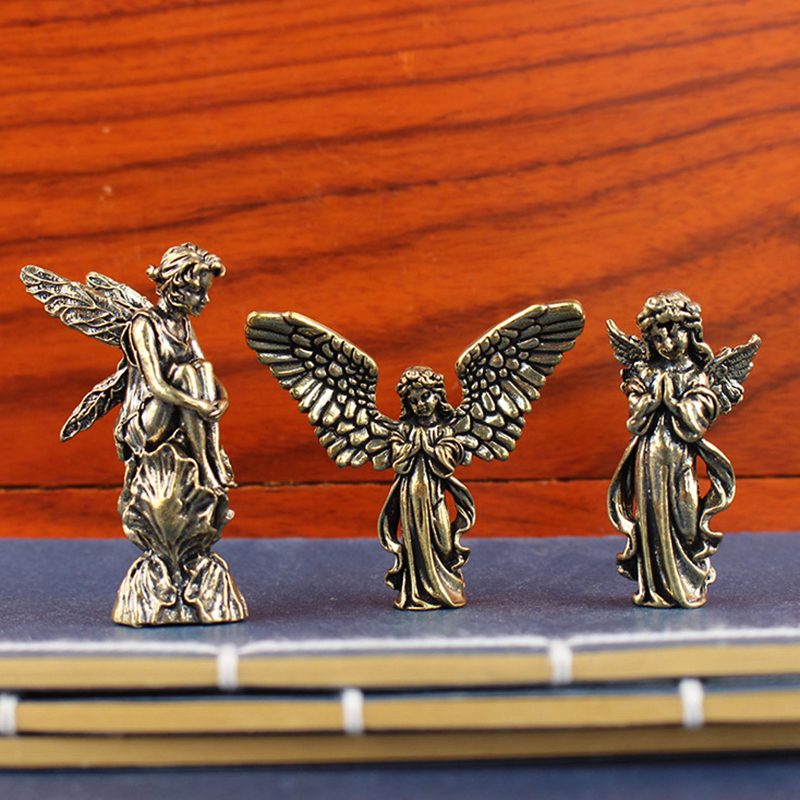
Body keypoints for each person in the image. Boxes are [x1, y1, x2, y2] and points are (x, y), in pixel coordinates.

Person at [608, 292, 735, 608]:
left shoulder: (695, 374)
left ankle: (688, 582)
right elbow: (635, 420)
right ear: (649, 339)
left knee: (685, 518)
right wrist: (653, 401)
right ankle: (655, 588)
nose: (667, 342)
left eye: (675, 332)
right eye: (658, 335)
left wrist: (674, 405)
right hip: (650, 455)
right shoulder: (645, 373)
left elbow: (698, 421)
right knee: (652, 518)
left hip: (680, 457)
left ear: (692, 333)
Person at [114, 242, 234, 494]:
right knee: (186, 372)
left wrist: (223, 399)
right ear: (177, 289)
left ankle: (213, 456)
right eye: (198, 292)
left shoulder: (184, 323)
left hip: (179, 408)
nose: (206, 299)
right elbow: (157, 386)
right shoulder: (144, 324)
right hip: (147, 423)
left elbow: (207, 371)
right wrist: (198, 405)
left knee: (201, 366)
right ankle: (204, 467)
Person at [377, 366, 475, 610]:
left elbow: (447, 464)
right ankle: (417, 593)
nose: (420, 404)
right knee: (416, 542)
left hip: (435, 493)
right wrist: (413, 447)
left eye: (425, 397)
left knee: (443, 542)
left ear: (438, 396)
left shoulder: (445, 430)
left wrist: (429, 449)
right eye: (413, 400)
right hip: (411, 495)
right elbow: (398, 462)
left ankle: (446, 587)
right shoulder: (404, 431)